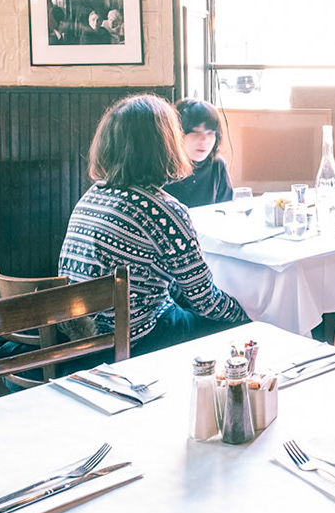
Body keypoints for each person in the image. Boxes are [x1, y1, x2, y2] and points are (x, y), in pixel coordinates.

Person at [58, 94, 248, 354]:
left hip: (81, 338)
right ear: (166, 145)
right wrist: (251, 318)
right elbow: (206, 301)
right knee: (235, 328)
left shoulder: (93, 194)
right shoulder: (165, 211)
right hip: (135, 339)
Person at [164, 98, 234, 208]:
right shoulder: (162, 166)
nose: (205, 140)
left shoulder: (217, 165)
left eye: (211, 133)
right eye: (196, 132)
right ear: (177, 134)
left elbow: (227, 207)